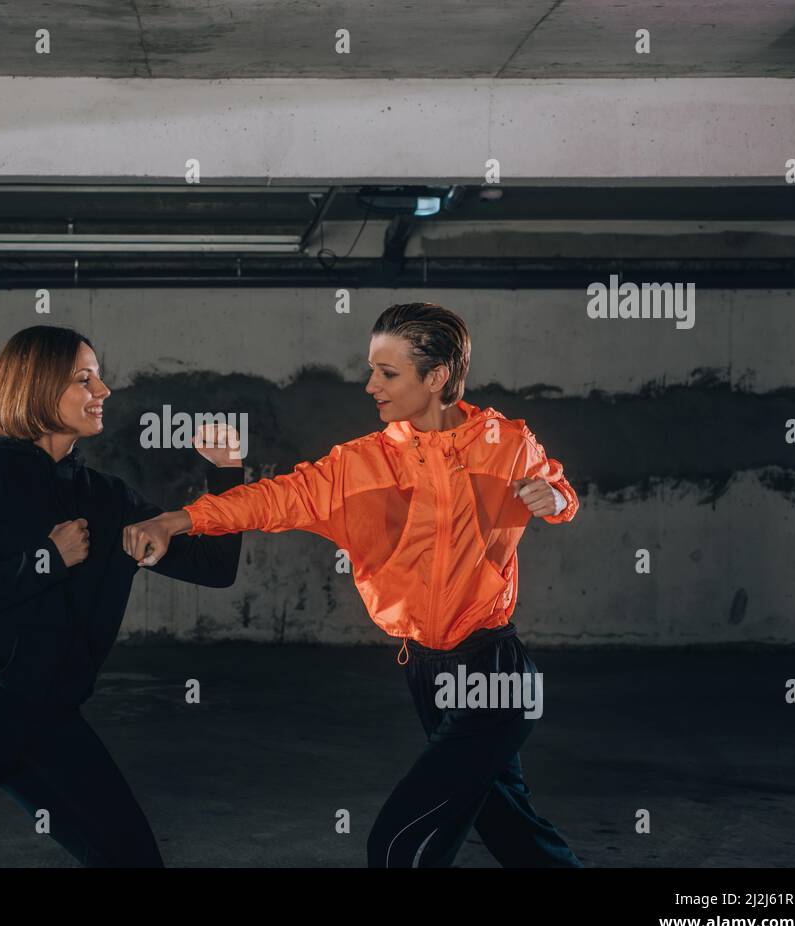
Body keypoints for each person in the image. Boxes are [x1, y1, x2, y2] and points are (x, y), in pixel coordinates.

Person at [122, 302, 583, 868]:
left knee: (397, 846)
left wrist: (555, 499)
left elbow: (558, 489)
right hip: (425, 669)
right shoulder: (357, 466)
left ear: (436, 377)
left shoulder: (507, 443)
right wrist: (176, 520)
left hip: (494, 671)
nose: (371, 386)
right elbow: (273, 499)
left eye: (388, 373)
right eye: (372, 369)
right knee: (509, 824)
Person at [0, 324, 244, 867]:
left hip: (46, 718)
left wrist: (227, 477)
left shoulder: (106, 499)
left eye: (99, 378)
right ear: (36, 386)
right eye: (85, 379)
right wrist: (44, 560)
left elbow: (216, 569)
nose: (103, 392)